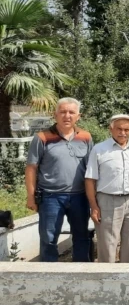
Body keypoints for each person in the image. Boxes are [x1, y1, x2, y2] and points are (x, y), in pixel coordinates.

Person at [25, 97, 94, 262]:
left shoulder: (85, 137)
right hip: (50, 197)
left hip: (80, 196)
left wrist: (94, 199)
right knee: (48, 239)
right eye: (63, 112)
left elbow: (92, 169)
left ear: (79, 116)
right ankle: (49, 276)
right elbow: (31, 168)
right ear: (55, 115)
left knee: (82, 237)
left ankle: (81, 273)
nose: (67, 116)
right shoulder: (42, 137)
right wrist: (30, 196)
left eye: (71, 112)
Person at [85, 114, 129, 263]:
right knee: (107, 244)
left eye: (126, 130)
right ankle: (106, 277)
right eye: (119, 129)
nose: (122, 133)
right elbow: (90, 179)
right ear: (111, 129)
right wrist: (94, 206)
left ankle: (127, 276)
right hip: (108, 200)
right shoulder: (99, 149)